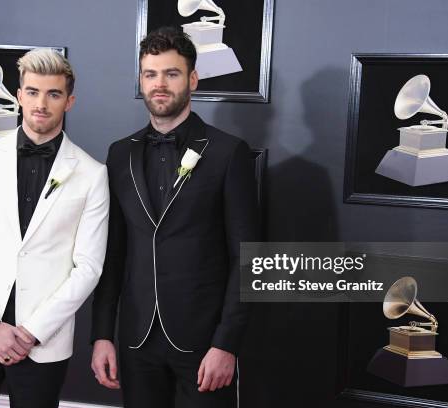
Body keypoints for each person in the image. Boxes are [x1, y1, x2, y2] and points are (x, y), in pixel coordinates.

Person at [90, 26, 259, 408]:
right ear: (141, 80)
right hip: (136, 343)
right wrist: (102, 334)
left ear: (193, 79)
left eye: (171, 73)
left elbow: (247, 258)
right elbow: (112, 255)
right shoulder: (119, 154)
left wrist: (226, 344)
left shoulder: (228, 153)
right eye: (150, 74)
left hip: (203, 347)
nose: (159, 84)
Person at [0, 48, 109, 408]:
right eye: (32, 92)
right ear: (19, 96)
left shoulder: (93, 174)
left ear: (70, 101)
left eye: (53, 94)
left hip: (42, 341)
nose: (41, 104)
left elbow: (89, 267)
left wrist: (31, 332)